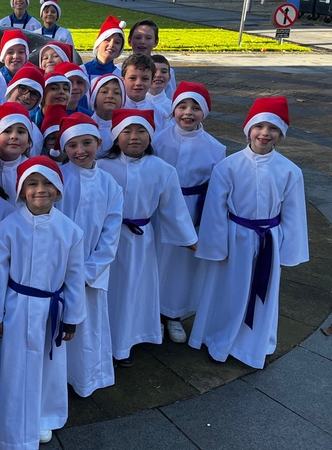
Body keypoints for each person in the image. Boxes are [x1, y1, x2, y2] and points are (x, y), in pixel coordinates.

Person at [189, 96, 309, 369]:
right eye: (259, 126)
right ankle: (220, 339)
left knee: (262, 294)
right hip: (236, 238)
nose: (264, 133)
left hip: (269, 240)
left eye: (273, 128)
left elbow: (293, 214)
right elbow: (216, 211)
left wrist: (287, 251)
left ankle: (253, 345)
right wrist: (217, 247)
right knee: (230, 290)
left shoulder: (290, 171)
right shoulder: (228, 167)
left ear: (281, 134)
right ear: (248, 129)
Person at [0, 156, 86, 447]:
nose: (40, 189)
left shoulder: (70, 231)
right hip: (17, 307)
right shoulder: (7, 229)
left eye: (47, 183)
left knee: (46, 365)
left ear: (58, 190)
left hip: (50, 309)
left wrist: (71, 318)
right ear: (21, 190)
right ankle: (8, 415)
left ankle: (43, 415)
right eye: (32, 184)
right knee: (14, 365)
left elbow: (74, 277)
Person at [97, 109, 197, 368]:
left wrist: (190, 238)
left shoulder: (162, 169)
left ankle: (125, 342)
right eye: (127, 131)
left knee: (133, 289)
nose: (134, 137)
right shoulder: (101, 166)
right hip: (106, 238)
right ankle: (103, 339)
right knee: (107, 289)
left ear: (150, 136)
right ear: (115, 136)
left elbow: (174, 209)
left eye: (141, 131)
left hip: (140, 241)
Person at [151, 82, 225, 344]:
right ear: (173, 109)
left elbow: (217, 188)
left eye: (195, 107)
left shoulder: (215, 148)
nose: (188, 112)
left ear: (205, 112)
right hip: (160, 210)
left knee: (182, 266)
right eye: (182, 106)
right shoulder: (157, 140)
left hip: (193, 210)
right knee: (156, 261)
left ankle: (173, 313)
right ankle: (152, 313)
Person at [55, 113, 123, 398]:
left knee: (88, 326)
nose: (80, 151)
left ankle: (84, 378)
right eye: (72, 145)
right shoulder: (57, 178)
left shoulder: (109, 184)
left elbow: (110, 234)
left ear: (99, 142)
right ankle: (55, 380)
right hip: (58, 270)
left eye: (86, 143)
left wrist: (87, 271)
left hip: (89, 273)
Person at [0, 102, 34, 197]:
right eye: (7, 131)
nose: (14, 136)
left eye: (21, 132)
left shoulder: (32, 171)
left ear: (29, 142)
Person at [125, 19, 177, 98]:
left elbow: (170, 98)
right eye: (138, 37)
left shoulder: (165, 72)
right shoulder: (119, 70)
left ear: (156, 42)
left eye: (148, 38)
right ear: (129, 41)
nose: (142, 41)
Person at [121, 53, 168, 131]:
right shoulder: (115, 110)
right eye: (132, 78)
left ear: (151, 81)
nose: (138, 83)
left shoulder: (159, 114)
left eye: (145, 79)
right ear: (123, 80)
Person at [90, 73, 126, 157]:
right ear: (94, 98)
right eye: (104, 92)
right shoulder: (85, 127)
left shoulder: (125, 130)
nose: (110, 96)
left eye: (116, 93)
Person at [82, 15, 125, 84]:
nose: (111, 45)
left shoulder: (120, 76)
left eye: (117, 42)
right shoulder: (82, 71)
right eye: (107, 40)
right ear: (98, 44)